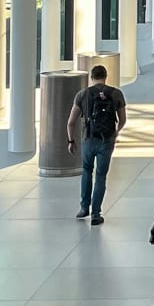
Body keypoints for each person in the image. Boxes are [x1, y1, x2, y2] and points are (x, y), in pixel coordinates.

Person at [66, 63, 126, 225]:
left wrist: (71, 141)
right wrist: (116, 132)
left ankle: (84, 207)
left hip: (88, 139)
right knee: (101, 175)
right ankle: (96, 214)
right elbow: (123, 120)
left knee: (86, 171)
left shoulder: (82, 94)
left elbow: (71, 122)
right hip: (106, 140)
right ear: (106, 77)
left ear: (91, 78)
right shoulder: (116, 93)